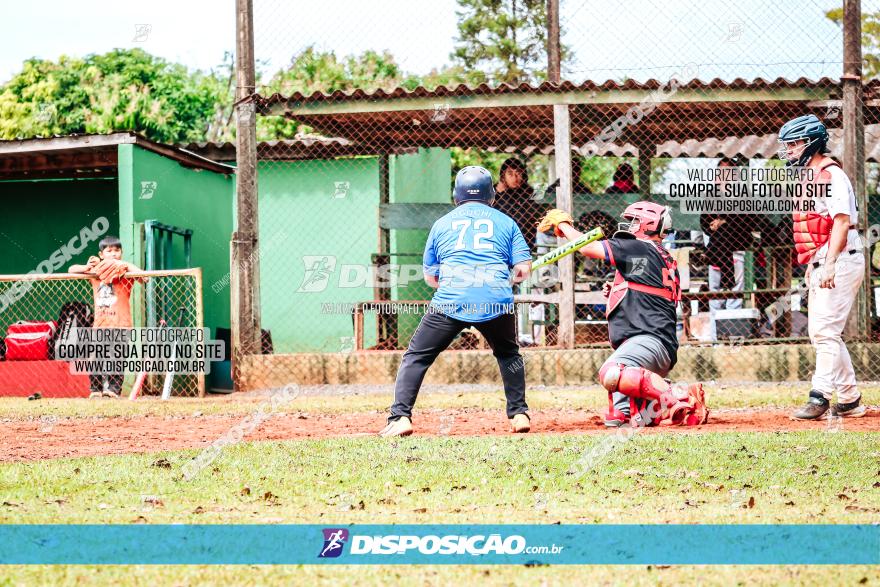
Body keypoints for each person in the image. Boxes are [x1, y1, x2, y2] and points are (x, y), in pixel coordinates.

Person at [379, 166, 533, 437]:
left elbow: (430, 277)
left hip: (451, 301)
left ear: (456, 195)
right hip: (495, 300)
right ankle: (519, 413)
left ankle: (400, 417)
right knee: (509, 354)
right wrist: (502, 280)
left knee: (416, 356)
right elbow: (523, 270)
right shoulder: (506, 222)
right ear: (491, 195)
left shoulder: (442, 223)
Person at [537, 202, 708, 428]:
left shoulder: (639, 247)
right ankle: (663, 401)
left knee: (611, 372)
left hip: (649, 342)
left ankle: (680, 397)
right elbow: (639, 284)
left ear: (648, 225)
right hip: (649, 347)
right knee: (624, 419)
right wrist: (618, 288)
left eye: (634, 221)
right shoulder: (657, 254)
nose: (630, 226)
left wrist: (564, 226)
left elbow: (589, 248)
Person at [778, 114, 866, 420]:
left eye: (794, 144)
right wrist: (815, 264)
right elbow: (819, 226)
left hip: (841, 258)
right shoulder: (810, 176)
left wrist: (828, 265)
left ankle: (820, 396)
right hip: (827, 259)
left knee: (824, 331)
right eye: (787, 145)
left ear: (811, 143)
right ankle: (850, 399)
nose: (789, 151)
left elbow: (842, 222)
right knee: (824, 333)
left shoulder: (831, 175)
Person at [69, 236, 142, 399]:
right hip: (100, 324)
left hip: (121, 325)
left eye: (117, 251)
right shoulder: (98, 272)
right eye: (109, 251)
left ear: (122, 253)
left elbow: (143, 276)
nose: (113, 254)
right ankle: (95, 389)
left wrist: (123, 265)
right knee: (96, 357)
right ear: (101, 254)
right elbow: (71, 269)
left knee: (116, 358)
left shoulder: (125, 273)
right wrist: (89, 267)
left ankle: (114, 390)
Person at [701, 157, 751, 315]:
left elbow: (745, 222)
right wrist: (713, 225)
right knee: (715, 293)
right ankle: (716, 338)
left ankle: (731, 336)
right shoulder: (710, 194)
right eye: (721, 172)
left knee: (734, 294)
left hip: (732, 247)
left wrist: (723, 222)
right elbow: (704, 221)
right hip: (718, 247)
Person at [493, 157, 545, 245]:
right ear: (503, 176)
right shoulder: (494, 191)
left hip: (525, 237)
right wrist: (499, 192)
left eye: (518, 173)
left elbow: (531, 216)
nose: (515, 177)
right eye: (510, 174)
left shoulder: (529, 192)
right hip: (499, 237)